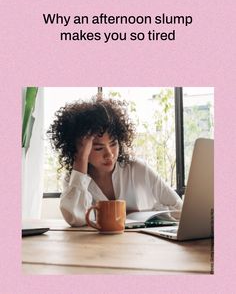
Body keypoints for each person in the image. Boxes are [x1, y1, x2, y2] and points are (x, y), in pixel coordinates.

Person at [48, 95, 182, 226]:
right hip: (94, 247)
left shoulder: (137, 169)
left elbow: (179, 208)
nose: (109, 154)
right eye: (98, 148)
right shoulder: (74, 179)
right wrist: (81, 157)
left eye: (113, 144)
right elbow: (76, 219)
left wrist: (146, 214)